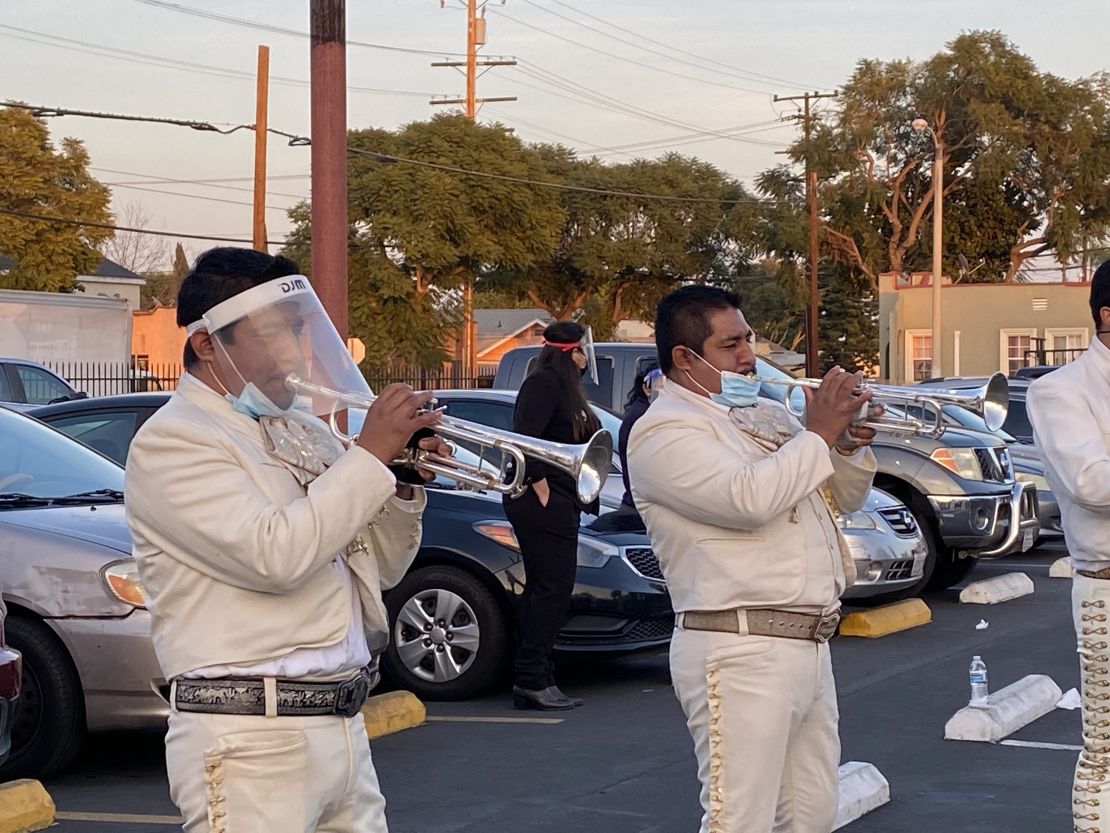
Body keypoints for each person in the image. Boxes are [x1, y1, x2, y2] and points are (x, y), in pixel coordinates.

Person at [124, 247, 449, 833]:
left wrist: (400, 485)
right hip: (252, 739)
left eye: (300, 333)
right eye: (277, 335)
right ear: (206, 345)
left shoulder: (297, 427)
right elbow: (276, 557)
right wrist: (371, 455)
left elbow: (381, 567)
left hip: (342, 724)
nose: (297, 354)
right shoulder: (174, 441)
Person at [627, 285, 879, 833]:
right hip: (737, 648)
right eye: (731, 344)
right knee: (738, 821)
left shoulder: (762, 412)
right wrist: (818, 433)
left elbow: (842, 496)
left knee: (812, 817)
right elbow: (748, 500)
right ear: (684, 357)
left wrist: (848, 445)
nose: (748, 356)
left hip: (808, 644)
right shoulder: (663, 431)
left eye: (749, 340)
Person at [1027, 260, 1110, 830]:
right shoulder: (1060, 390)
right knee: (1106, 750)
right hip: (1107, 588)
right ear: (1108, 315)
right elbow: (1091, 484)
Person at [504, 320, 602, 710]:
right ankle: (531, 678)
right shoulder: (543, 383)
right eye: (580, 351)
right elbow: (525, 436)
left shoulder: (563, 387)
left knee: (548, 590)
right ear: (569, 353)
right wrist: (542, 486)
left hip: (561, 497)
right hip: (542, 500)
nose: (584, 359)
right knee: (552, 591)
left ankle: (537, 675)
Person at [589, 364, 662, 534]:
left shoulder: (644, 412)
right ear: (646, 387)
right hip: (642, 507)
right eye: (661, 383)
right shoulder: (644, 416)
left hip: (638, 502)